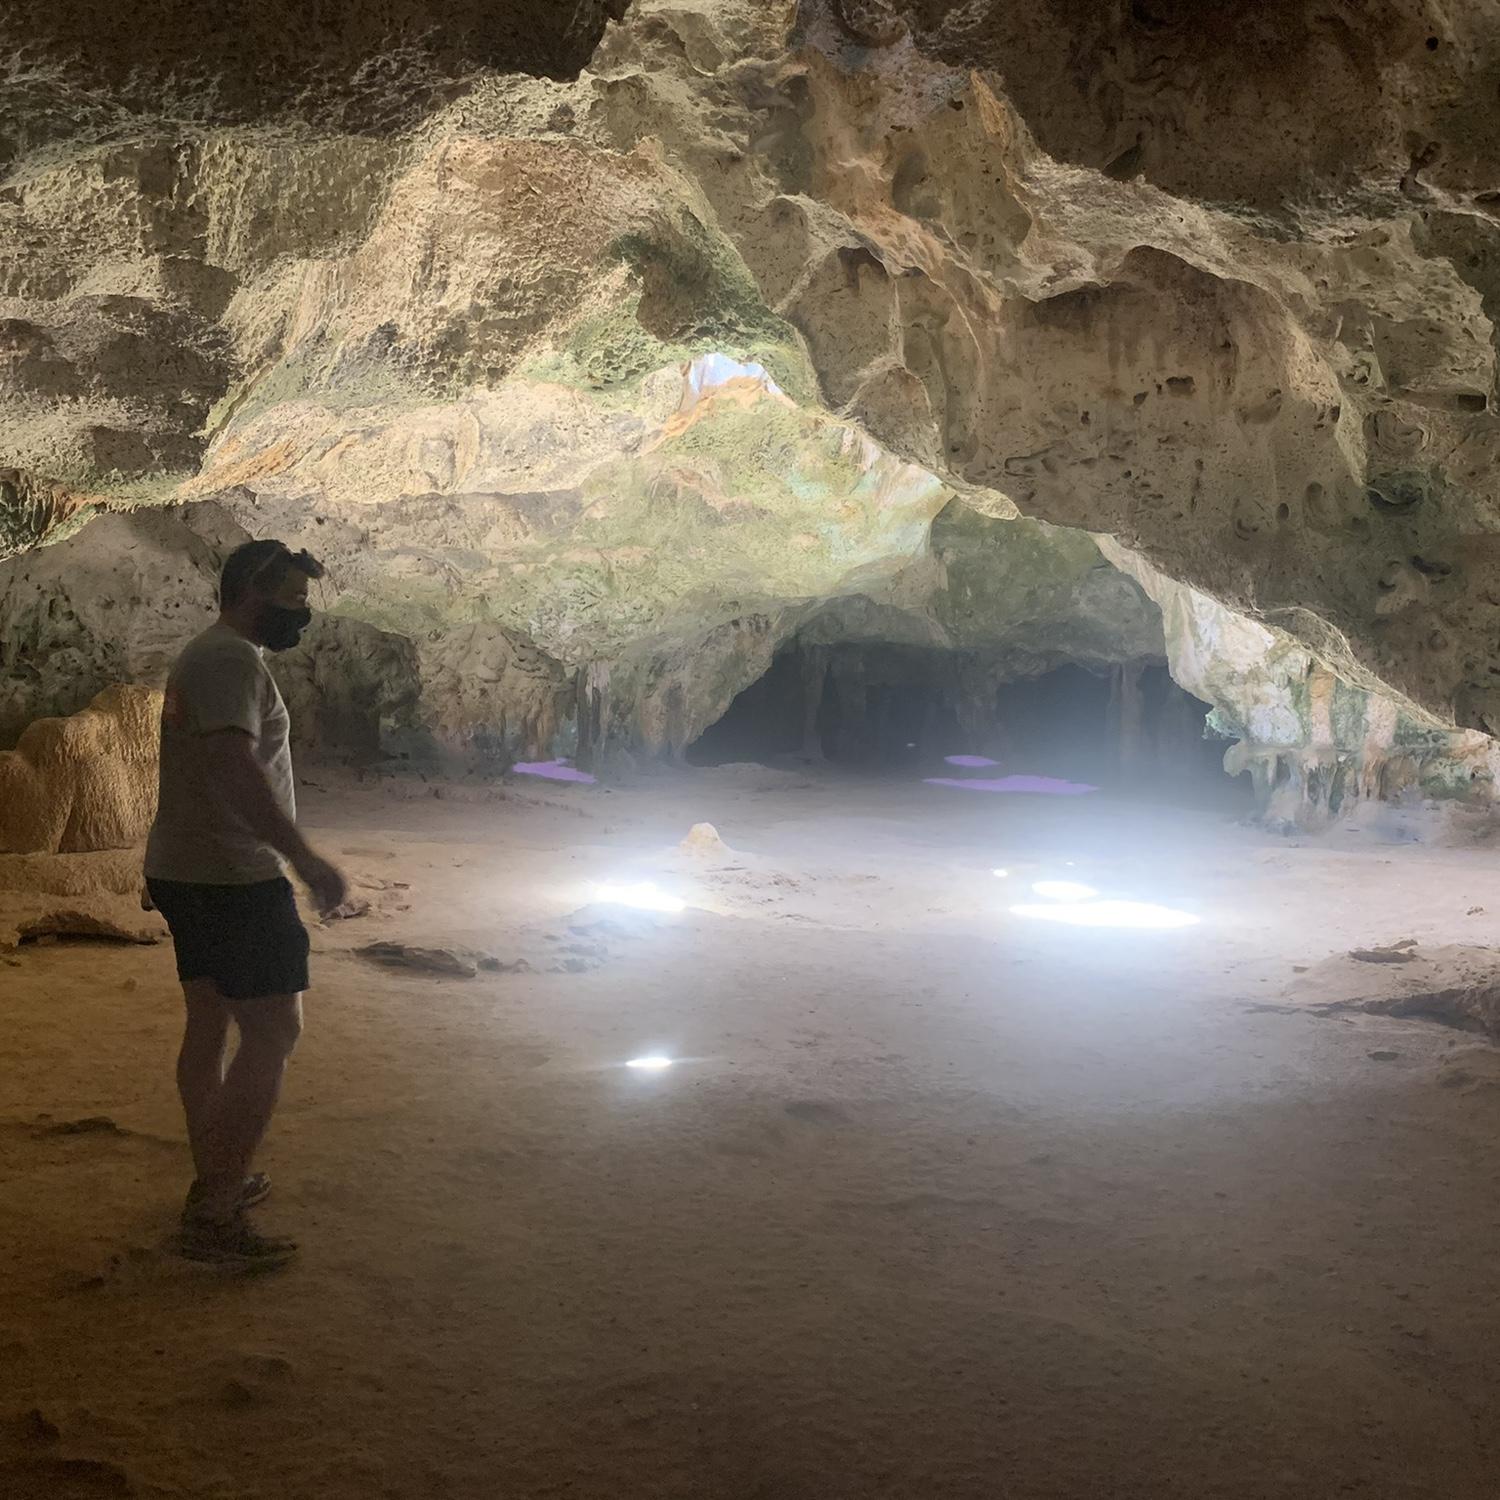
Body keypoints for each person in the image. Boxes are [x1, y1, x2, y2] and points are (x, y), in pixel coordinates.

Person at [144, 539, 348, 1267]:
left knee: (210, 1021)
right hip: (233, 876)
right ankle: (217, 1214)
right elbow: (234, 763)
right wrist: (303, 857)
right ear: (247, 592)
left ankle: (216, 1178)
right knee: (274, 1031)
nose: (300, 610)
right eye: (290, 596)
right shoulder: (229, 659)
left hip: (188, 866)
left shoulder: (208, 654)